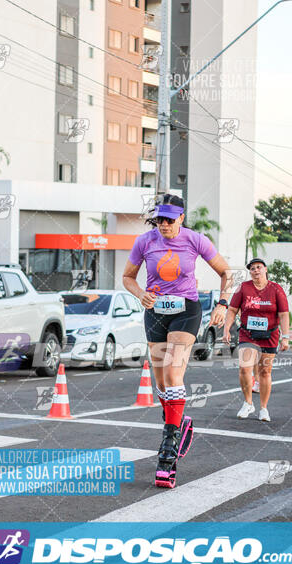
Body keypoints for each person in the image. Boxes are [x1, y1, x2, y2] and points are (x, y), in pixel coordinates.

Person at [123, 194, 232, 488]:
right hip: (155, 312)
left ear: (181, 218)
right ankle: (178, 421)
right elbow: (128, 277)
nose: (164, 225)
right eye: (160, 219)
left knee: (173, 373)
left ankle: (167, 455)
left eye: (170, 220)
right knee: (161, 382)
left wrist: (222, 304)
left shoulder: (195, 240)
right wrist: (139, 294)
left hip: (186, 309)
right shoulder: (145, 242)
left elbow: (226, 272)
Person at [222, 258, 290, 422]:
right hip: (248, 334)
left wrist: (286, 337)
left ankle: (264, 408)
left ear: (265, 269)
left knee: (265, 371)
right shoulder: (243, 288)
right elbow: (232, 310)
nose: (256, 270)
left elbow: (283, 314)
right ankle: (248, 403)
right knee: (245, 368)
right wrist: (226, 330)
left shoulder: (276, 289)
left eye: (259, 267)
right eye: (252, 269)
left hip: (270, 335)